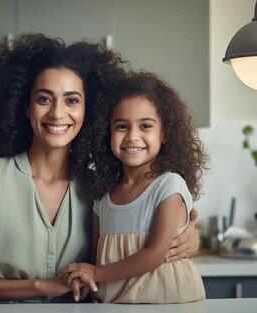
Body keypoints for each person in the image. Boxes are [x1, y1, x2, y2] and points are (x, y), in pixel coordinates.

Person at [0, 33, 200, 303]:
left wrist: (189, 236)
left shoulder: (98, 189)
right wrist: (40, 286)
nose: (57, 113)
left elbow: (136, 235)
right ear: (26, 106)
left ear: (88, 109)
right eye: (44, 99)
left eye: (72, 100)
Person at [60, 71, 208, 303]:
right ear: (107, 132)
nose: (132, 136)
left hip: (170, 303)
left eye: (145, 126)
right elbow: (96, 258)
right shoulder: (102, 197)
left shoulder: (168, 185)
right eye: (121, 127)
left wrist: (96, 273)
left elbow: (155, 255)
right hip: (117, 304)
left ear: (165, 133)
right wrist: (88, 280)